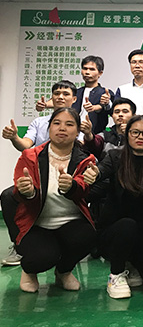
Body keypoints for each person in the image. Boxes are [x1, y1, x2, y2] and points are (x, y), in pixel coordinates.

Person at [12, 107, 98, 292]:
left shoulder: (86, 159)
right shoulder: (30, 156)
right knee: (44, 257)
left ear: (77, 131)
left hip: (71, 221)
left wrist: (72, 186)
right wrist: (28, 192)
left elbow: (84, 189)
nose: (62, 128)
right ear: (49, 127)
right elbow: (19, 191)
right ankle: (29, 271)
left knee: (89, 237)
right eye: (57, 123)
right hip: (37, 223)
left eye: (69, 124)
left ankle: (63, 272)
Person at [91, 115, 143, 299]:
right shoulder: (115, 157)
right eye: (135, 132)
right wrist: (93, 174)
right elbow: (101, 171)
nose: (140, 137)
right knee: (128, 226)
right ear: (127, 134)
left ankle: (132, 263)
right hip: (115, 232)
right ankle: (116, 274)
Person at [2, 80, 80, 267]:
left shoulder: (79, 122)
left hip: (67, 178)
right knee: (8, 195)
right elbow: (26, 146)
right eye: (57, 93)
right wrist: (14, 137)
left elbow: (83, 150)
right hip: (38, 179)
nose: (60, 97)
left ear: (74, 99)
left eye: (66, 94)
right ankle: (20, 244)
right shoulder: (39, 122)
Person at [35, 56, 113, 134]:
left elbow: (112, 109)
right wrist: (44, 104)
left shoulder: (105, 93)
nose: (87, 72)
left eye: (92, 69)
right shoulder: (76, 92)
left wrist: (106, 104)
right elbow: (59, 100)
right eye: (85, 68)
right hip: (72, 134)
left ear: (100, 73)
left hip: (95, 136)